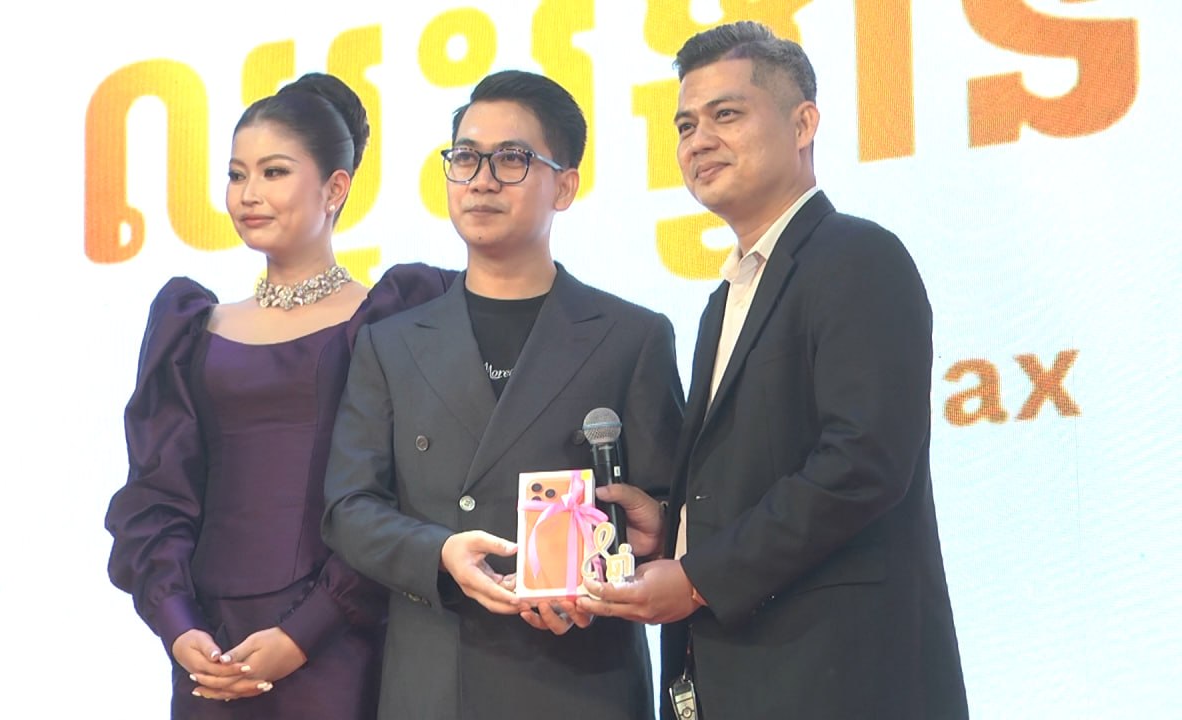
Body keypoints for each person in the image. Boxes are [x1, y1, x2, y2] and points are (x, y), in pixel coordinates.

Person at [577, 22, 970, 719]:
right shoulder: (723, 300)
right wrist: (671, 530)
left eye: (726, 114)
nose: (698, 141)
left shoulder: (857, 257)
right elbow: (756, 474)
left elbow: (863, 463)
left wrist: (697, 578)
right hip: (737, 680)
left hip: (838, 680)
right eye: (685, 125)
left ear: (803, 124)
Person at [320, 70, 684, 720]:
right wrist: (438, 553)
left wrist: (638, 539)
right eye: (465, 157)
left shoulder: (632, 336)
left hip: (583, 678)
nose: (481, 180)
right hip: (437, 677)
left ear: (565, 186)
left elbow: (670, 510)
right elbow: (348, 508)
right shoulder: (391, 343)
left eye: (511, 158)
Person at [104, 72, 453, 719]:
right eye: (237, 175)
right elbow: (157, 494)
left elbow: (402, 494)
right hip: (211, 649)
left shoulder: (389, 319)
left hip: (340, 639)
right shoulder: (191, 325)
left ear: (335, 188)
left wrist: (305, 632)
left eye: (274, 172)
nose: (249, 194)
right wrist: (179, 627)